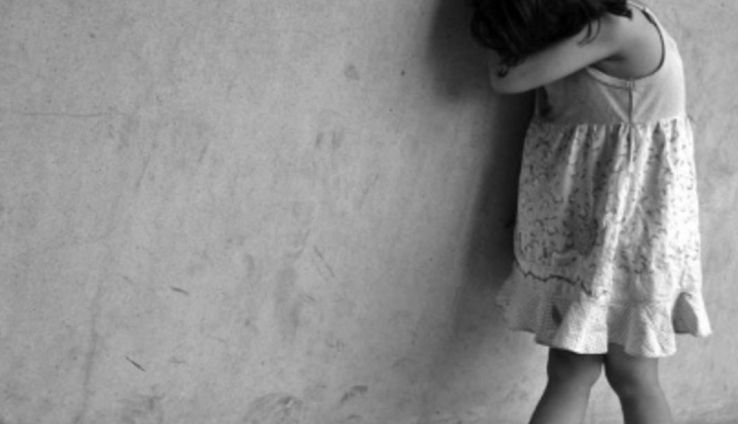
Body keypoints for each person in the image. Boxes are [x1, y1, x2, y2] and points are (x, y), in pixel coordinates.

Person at [469, 1, 712, 423]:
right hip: (596, 229)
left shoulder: (616, 29)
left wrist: (498, 30)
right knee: (599, 373)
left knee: (614, 374)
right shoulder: (593, 30)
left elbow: (507, 78)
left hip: (628, 233)